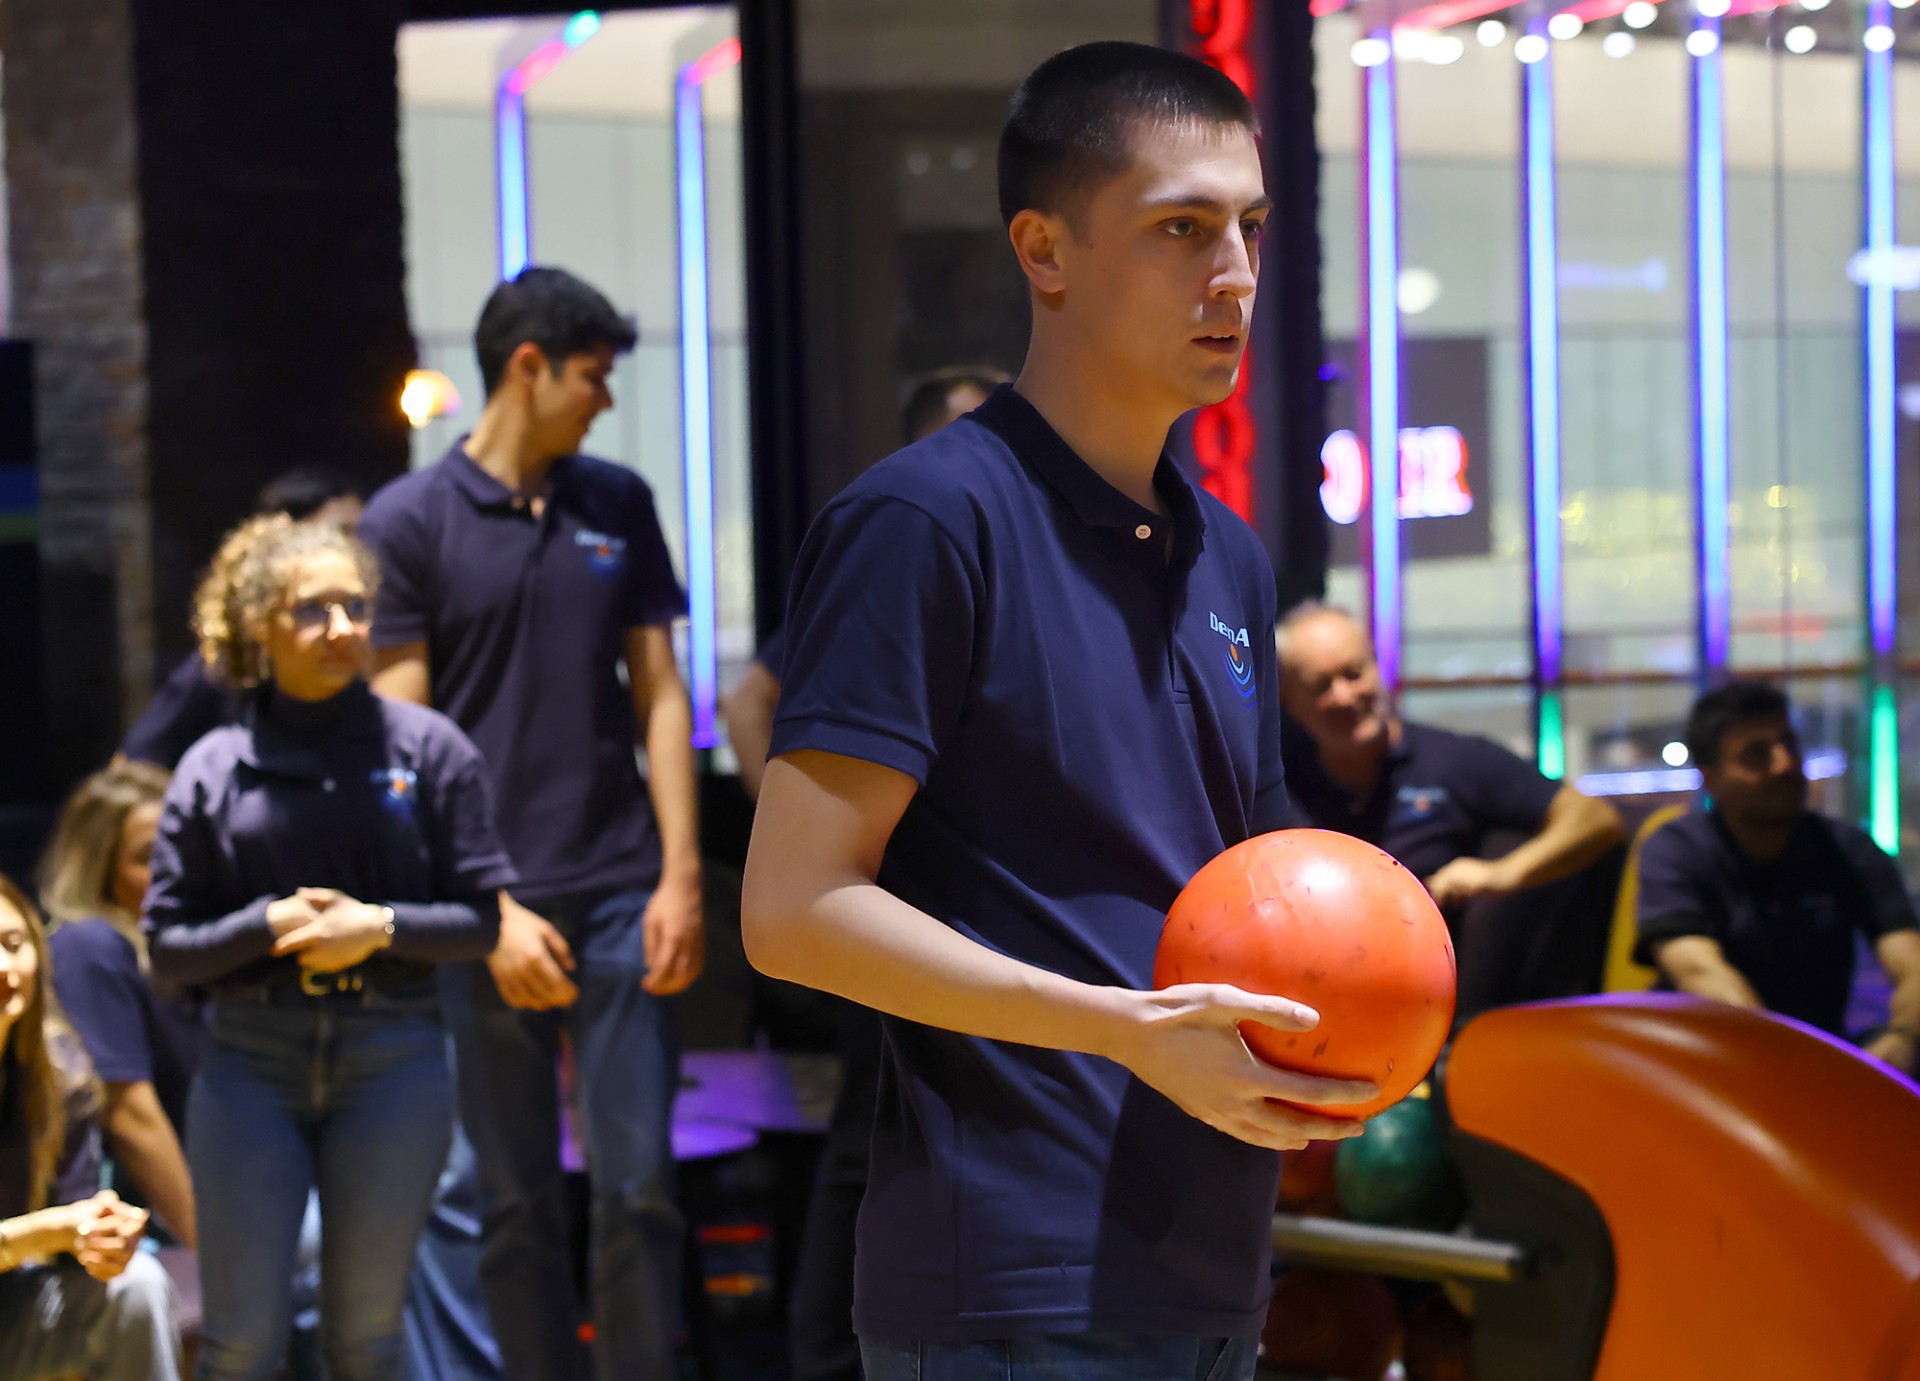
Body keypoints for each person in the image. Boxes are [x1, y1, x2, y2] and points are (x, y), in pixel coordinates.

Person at [742, 43, 1374, 1381]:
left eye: (1251, 227)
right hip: (1009, 1279)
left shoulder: (1231, 557)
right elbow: (793, 909)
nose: (1236, 275)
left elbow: (1258, 896)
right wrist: (1118, 1026)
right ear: (1045, 250)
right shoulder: (924, 521)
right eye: (1182, 228)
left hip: (1213, 1260)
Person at [359, 265, 704, 1381]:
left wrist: (681, 876)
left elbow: (661, 695)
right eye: (591, 376)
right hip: (484, 902)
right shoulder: (408, 521)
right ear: (528, 367)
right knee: (509, 1201)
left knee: (640, 1187)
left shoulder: (618, 502)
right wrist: (486, 908)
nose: (605, 399)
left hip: (620, 884)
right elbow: (401, 741)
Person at [143, 514, 516, 1380]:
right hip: (251, 1061)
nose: (342, 628)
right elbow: (167, 949)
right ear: (259, 625)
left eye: (355, 606)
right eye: (313, 609)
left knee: (366, 1338)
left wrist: (376, 927)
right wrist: (264, 925)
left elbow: (483, 920)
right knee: (241, 1341)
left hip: (395, 1053)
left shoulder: (430, 748)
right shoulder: (213, 766)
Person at [723, 363, 1006, 1381]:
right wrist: (807, 834)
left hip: (981, 909)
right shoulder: (897, 543)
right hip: (889, 905)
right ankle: (825, 1360)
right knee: (871, 1131)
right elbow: (746, 705)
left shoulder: (1012, 547)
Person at [1634, 680, 1920, 1074]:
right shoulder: (1676, 849)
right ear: (1711, 779)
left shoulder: (1847, 848)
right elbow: (1700, 972)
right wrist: (1782, 1062)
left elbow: (1912, 963)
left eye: (1789, 744)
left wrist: (1903, 1038)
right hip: (1707, 1061)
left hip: (1818, 1055)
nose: (1785, 764)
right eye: (1757, 755)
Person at [1276, 604, 1625, 912]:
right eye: (1320, 685)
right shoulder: (1275, 784)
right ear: (1288, 700)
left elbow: (1595, 817)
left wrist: (1502, 874)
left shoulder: (1454, 759)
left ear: (1379, 668)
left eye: (1354, 674)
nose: (1344, 696)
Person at [0, 874, 180, 1381]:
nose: (3, 968)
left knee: (136, 1284)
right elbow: (52, 1229)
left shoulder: (58, 1075)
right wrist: (41, 1233)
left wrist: (99, 1238)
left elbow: (69, 1236)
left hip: (13, 1318)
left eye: (13, 944)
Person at [38, 760, 198, 1248]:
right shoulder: (88, 946)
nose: (175, 870)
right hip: (143, 1230)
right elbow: (129, 1116)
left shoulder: (178, 953)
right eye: (149, 856)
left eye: (184, 848)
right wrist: (215, 1252)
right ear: (99, 868)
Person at [122, 466, 367, 771]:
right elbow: (134, 767)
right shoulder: (222, 676)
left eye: (362, 533)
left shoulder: (363, 639)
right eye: (340, 533)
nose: (340, 631)